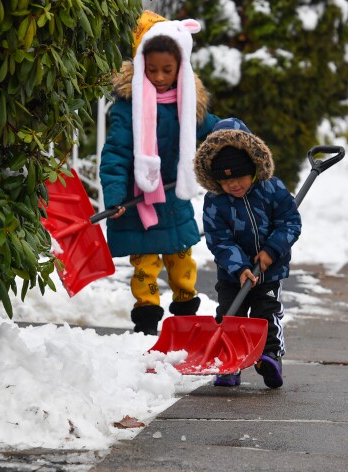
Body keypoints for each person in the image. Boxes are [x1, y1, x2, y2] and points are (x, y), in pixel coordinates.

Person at [100, 11, 220, 336]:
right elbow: (115, 154)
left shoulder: (187, 103)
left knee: (182, 263)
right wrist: (115, 197)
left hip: (174, 198)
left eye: (168, 70)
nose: (160, 77)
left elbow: (211, 130)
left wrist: (232, 132)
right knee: (146, 268)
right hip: (138, 201)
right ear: (141, 65)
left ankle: (185, 315)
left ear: (181, 67)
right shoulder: (128, 106)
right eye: (152, 70)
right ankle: (147, 322)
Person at [194, 118, 301, 388]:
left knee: (268, 313)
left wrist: (271, 251)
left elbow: (290, 222)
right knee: (230, 315)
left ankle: (270, 357)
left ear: (253, 167)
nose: (233, 185)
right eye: (225, 179)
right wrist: (239, 267)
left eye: (239, 176)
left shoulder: (272, 189)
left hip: (269, 272)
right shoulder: (215, 202)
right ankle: (230, 363)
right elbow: (219, 240)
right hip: (233, 276)